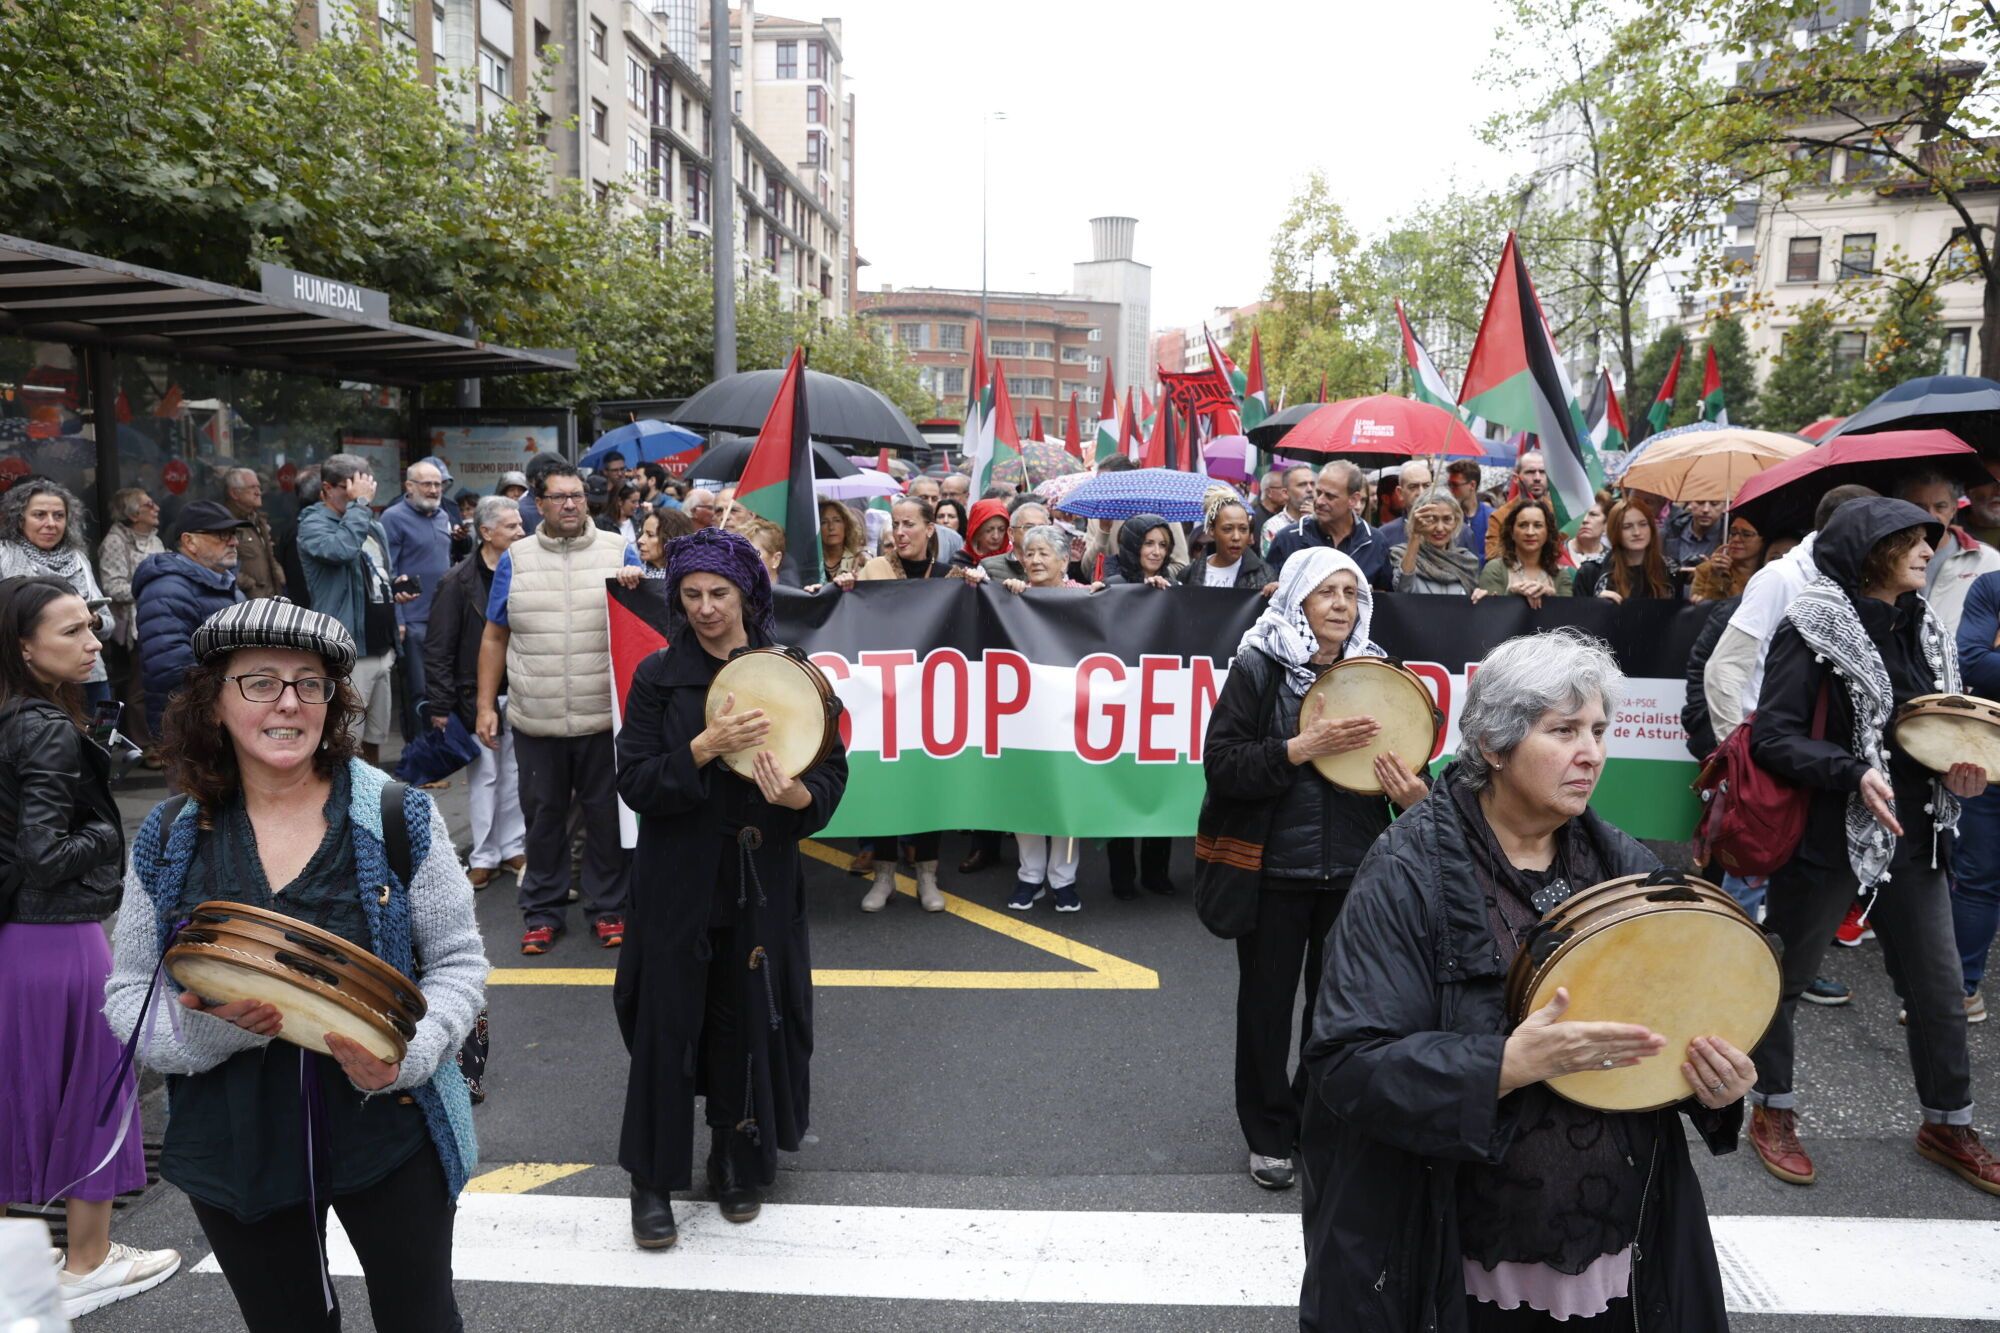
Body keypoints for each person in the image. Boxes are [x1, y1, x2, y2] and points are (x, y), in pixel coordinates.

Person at [1298, 628, 1751, 1331]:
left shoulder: (1624, 866)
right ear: (1494, 745)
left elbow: (1674, 1022)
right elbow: (1346, 1062)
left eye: (1599, 729)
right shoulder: (1405, 871)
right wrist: (1505, 1064)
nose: (1591, 751)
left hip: (1616, 1252)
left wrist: (1714, 1087)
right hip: (1460, 1261)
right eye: (1563, 729)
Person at [104, 598, 486, 1333]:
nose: (289, 702)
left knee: (423, 1320)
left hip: (387, 1125)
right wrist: (215, 1032)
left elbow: (459, 962)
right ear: (214, 701)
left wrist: (407, 1052)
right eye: (260, 681)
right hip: (234, 1139)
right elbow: (129, 992)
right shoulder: (171, 835)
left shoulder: (395, 814)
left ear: (332, 703)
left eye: (309, 683)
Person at [1745, 497, 2000, 1195]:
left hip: (1916, 837)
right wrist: (1852, 771)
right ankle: (1772, 1111)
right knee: (1783, 980)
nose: (1928, 550)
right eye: (1914, 540)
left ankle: (1947, 1122)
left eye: (1928, 540)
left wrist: (1962, 768)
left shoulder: (1929, 630)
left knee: (1940, 990)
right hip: (1827, 838)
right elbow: (1773, 735)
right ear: (1872, 552)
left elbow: (1931, 731)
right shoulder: (1815, 625)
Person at [613, 528, 849, 1248]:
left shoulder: (792, 672)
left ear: (748, 591)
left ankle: (734, 1158)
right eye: (691, 595)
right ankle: (651, 1183)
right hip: (678, 884)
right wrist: (702, 749)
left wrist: (799, 800)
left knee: (746, 1020)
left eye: (718, 592)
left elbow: (832, 771)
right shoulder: (659, 676)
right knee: (666, 1029)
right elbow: (635, 781)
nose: (707, 607)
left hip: (759, 882)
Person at [1205, 549, 1428, 1194]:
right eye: (1325, 591)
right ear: (1298, 599)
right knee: (1268, 1009)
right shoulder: (1259, 668)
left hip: (1356, 869)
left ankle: (1314, 1119)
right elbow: (1222, 764)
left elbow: (1405, 758)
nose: (1339, 604)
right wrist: (1301, 749)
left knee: (1337, 1010)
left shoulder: (1380, 674)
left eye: (1350, 593)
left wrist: (1414, 795)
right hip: (1274, 869)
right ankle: (1268, 1134)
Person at [0, 577, 181, 1319]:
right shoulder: (42, 727)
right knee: (99, 1095)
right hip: (62, 938)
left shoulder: (13, 718)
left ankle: (22, 1271)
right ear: (23, 646)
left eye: (90, 626)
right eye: (72, 630)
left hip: (18, 941)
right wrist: (109, 836)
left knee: (20, 1097)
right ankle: (91, 1258)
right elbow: (46, 852)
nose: (93, 641)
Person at [476, 461, 638, 955]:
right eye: (558, 497)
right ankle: (542, 913)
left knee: (606, 818)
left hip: (601, 717)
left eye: (577, 496)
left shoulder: (618, 551)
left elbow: (646, 625)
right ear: (539, 504)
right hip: (535, 716)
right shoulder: (517, 558)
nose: (570, 504)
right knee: (542, 819)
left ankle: (609, 909)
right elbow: (494, 635)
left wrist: (639, 583)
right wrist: (485, 704)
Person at [854, 496, 954, 912]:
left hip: (930, 698)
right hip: (885, 695)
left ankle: (927, 877)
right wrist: (843, 590)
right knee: (885, 782)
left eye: (910, 524)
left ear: (930, 529)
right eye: (896, 524)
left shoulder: (950, 576)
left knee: (926, 784)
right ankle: (884, 875)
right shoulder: (873, 571)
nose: (900, 532)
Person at [425, 496, 526, 888]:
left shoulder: (524, 569)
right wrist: (441, 705)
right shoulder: (457, 581)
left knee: (515, 775)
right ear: (486, 533)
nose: (521, 531)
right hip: (473, 695)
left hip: (517, 689)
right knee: (484, 776)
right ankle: (483, 855)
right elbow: (438, 646)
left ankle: (514, 846)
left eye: (520, 524)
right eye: (512, 526)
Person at [296, 454, 411, 768]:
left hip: (380, 648)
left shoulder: (369, 525)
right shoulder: (313, 524)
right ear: (326, 488)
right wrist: (360, 506)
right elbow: (341, 550)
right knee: (344, 740)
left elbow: (376, 575)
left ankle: (371, 804)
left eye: (366, 488)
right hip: (347, 651)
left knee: (375, 740)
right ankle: (341, 809)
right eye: (351, 489)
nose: (361, 496)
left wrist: (392, 591)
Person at [1102, 512, 1179, 898]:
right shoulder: (1112, 584)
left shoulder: (1176, 584)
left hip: (1162, 701)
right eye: (1148, 543)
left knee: (1157, 787)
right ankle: (1121, 874)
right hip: (1123, 702)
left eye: (1163, 545)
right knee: (1123, 787)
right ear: (1131, 545)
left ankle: (1156, 871)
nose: (1155, 551)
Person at [132, 500, 250, 735]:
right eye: (221, 535)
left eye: (234, 534)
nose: (234, 541)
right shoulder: (166, 588)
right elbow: (171, 669)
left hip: (230, 720)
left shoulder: (225, 583)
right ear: (189, 541)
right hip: (192, 729)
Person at [0, 479, 115, 707]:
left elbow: (109, 624)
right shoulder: (5, 555)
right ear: (19, 518)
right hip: (29, 681)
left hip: (89, 675)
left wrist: (95, 620)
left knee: (99, 739)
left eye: (59, 516)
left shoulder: (78, 558)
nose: (51, 523)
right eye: (40, 515)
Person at [1951, 567, 2000, 1026]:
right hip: (1991, 757)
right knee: (1978, 875)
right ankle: (1962, 989)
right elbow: (1972, 660)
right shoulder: (1992, 585)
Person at [382, 460, 455, 746]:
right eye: (427, 484)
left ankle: (438, 754)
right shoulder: (393, 517)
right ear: (409, 486)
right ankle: (419, 759)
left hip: (442, 617)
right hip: (412, 620)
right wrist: (398, 619)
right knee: (419, 690)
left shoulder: (442, 514)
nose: (435, 489)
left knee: (440, 688)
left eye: (438, 484)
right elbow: (389, 572)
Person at [97, 487, 166, 752]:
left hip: (159, 618)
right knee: (139, 688)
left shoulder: (154, 538)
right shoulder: (116, 542)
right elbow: (112, 587)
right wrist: (151, 587)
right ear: (134, 514)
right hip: (136, 626)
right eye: (149, 504)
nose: (156, 508)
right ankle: (143, 745)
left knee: (157, 683)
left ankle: (160, 742)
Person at [1899, 467, 2000, 636]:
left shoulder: (1988, 561)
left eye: (1940, 507)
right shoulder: (1886, 559)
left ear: (1954, 509)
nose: (1930, 515)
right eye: (1920, 507)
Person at [1267, 460, 1386, 588]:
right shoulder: (1287, 539)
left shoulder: (1375, 542)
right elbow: (1270, 594)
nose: (1319, 501)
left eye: (1330, 496)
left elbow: (1386, 597)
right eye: (1318, 493)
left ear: (1353, 500)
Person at [1473, 497, 1574, 605]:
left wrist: (1552, 597)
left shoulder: (1561, 575)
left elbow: (1566, 617)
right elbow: (1489, 614)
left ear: (1548, 532)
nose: (1530, 532)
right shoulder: (1495, 570)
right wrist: (1512, 594)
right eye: (1523, 525)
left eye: (1538, 525)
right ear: (1511, 532)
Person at [1576, 497, 1676, 602]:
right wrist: (1597, 607)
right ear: (1615, 531)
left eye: (1643, 524)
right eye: (1627, 526)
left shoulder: (1670, 570)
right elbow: (1578, 616)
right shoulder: (1591, 571)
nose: (1637, 532)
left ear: (1651, 528)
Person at [1390, 486, 1480, 596]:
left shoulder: (1466, 561)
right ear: (1419, 520)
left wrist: (1480, 597)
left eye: (1447, 519)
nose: (1440, 528)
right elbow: (1402, 589)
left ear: (1456, 521)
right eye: (1432, 519)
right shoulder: (1401, 555)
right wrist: (1415, 535)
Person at [1177, 495, 1275, 591]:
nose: (1236, 537)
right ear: (1211, 530)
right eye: (1228, 529)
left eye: (1243, 529)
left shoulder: (1265, 575)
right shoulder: (1188, 574)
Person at [219, 468, 285, 601]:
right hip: (246, 604)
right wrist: (248, 584)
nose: (258, 492)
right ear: (234, 493)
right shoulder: (223, 524)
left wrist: (278, 572)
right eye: (252, 488)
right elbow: (216, 565)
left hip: (271, 600)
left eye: (259, 487)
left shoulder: (257, 520)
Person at [1482, 452, 1554, 560]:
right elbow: (1492, 557)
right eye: (1530, 472)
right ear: (1516, 478)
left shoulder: (1558, 513)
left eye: (1542, 472)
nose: (1537, 477)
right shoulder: (1500, 516)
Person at [1689, 514, 1765, 603]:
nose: (1736, 539)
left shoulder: (1770, 573)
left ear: (1763, 540)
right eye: (1733, 533)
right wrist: (1716, 576)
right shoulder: (1705, 570)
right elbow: (1705, 611)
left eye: (1746, 534)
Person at [1372, 460, 1434, 552]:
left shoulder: (1457, 530)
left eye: (1426, 486)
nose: (1421, 492)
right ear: (1400, 492)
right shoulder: (1385, 534)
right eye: (1413, 487)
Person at [1261, 463, 1316, 554]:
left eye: (1312, 484)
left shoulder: (1325, 521)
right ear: (1285, 493)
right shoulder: (1274, 526)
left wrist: (1315, 521)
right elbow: (1272, 566)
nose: (1310, 489)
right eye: (1302, 485)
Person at [1663, 497, 1725, 573]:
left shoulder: (1730, 538)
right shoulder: (1669, 531)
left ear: (1725, 506)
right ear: (1690, 503)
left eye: (1714, 503)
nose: (1706, 509)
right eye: (1699, 502)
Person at [1448, 459, 1495, 557]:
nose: (1451, 490)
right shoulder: (1447, 518)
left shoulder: (1492, 517)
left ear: (1472, 485)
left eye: (1455, 485)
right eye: (1449, 485)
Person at [819, 498, 867, 581]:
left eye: (837, 521)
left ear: (846, 525)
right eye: (824, 522)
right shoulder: (812, 563)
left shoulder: (858, 561)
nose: (831, 527)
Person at [637, 504, 694, 573]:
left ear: (670, 539)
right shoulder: (638, 573)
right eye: (642, 533)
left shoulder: (687, 577)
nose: (640, 540)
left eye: (650, 535)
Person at [1565, 493, 1610, 569]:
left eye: (1593, 515)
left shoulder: (1612, 561)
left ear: (1606, 524)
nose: (1584, 520)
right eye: (1580, 515)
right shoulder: (1558, 553)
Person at [1250, 467, 1290, 544]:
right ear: (1269, 492)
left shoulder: (1287, 514)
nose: (1287, 493)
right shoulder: (1253, 518)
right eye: (1284, 490)